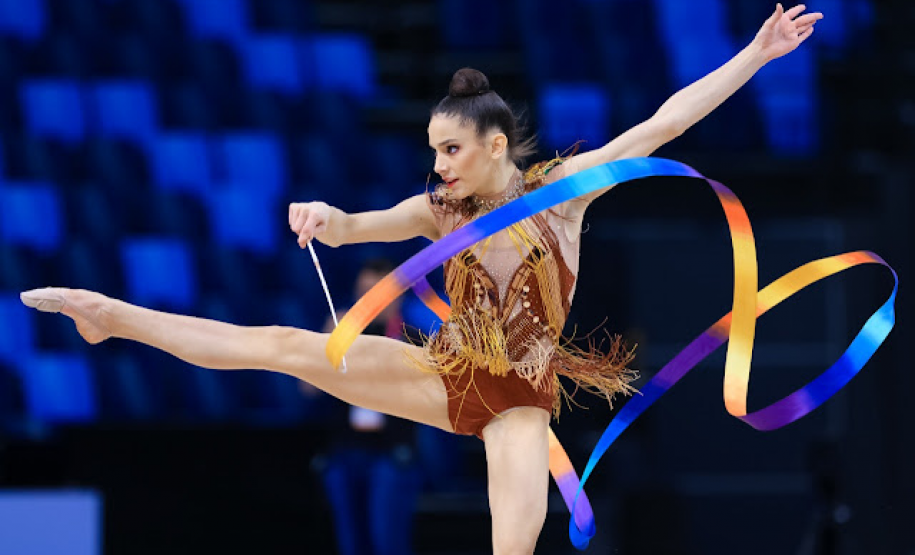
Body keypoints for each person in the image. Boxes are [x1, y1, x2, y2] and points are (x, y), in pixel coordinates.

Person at [19, 5, 822, 552]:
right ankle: (109, 315)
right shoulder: (438, 211)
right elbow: (353, 226)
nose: (438, 165)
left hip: (520, 397)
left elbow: (664, 122)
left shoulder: (563, 193)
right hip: (446, 374)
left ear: (496, 146)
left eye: (451, 150)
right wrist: (321, 216)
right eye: (433, 150)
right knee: (279, 344)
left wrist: (754, 54)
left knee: (513, 541)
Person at [304, 257, 423, 555]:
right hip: (345, 450)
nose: (368, 303)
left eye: (376, 295)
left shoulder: (412, 339)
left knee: (387, 542)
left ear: (396, 296)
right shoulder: (343, 337)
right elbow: (308, 389)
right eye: (363, 294)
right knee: (350, 544)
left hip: (391, 453)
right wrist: (326, 341)